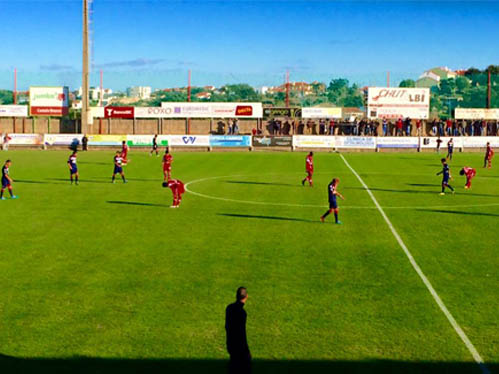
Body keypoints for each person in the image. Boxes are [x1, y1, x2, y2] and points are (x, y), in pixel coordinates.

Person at [225, 287, 251, 374]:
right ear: (246, 296)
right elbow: (241, 332)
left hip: (230, 343)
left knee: (233, 366)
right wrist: (246, 350)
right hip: (239, 346)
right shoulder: (242, 313)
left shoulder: (229, 308)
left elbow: (228, 326)